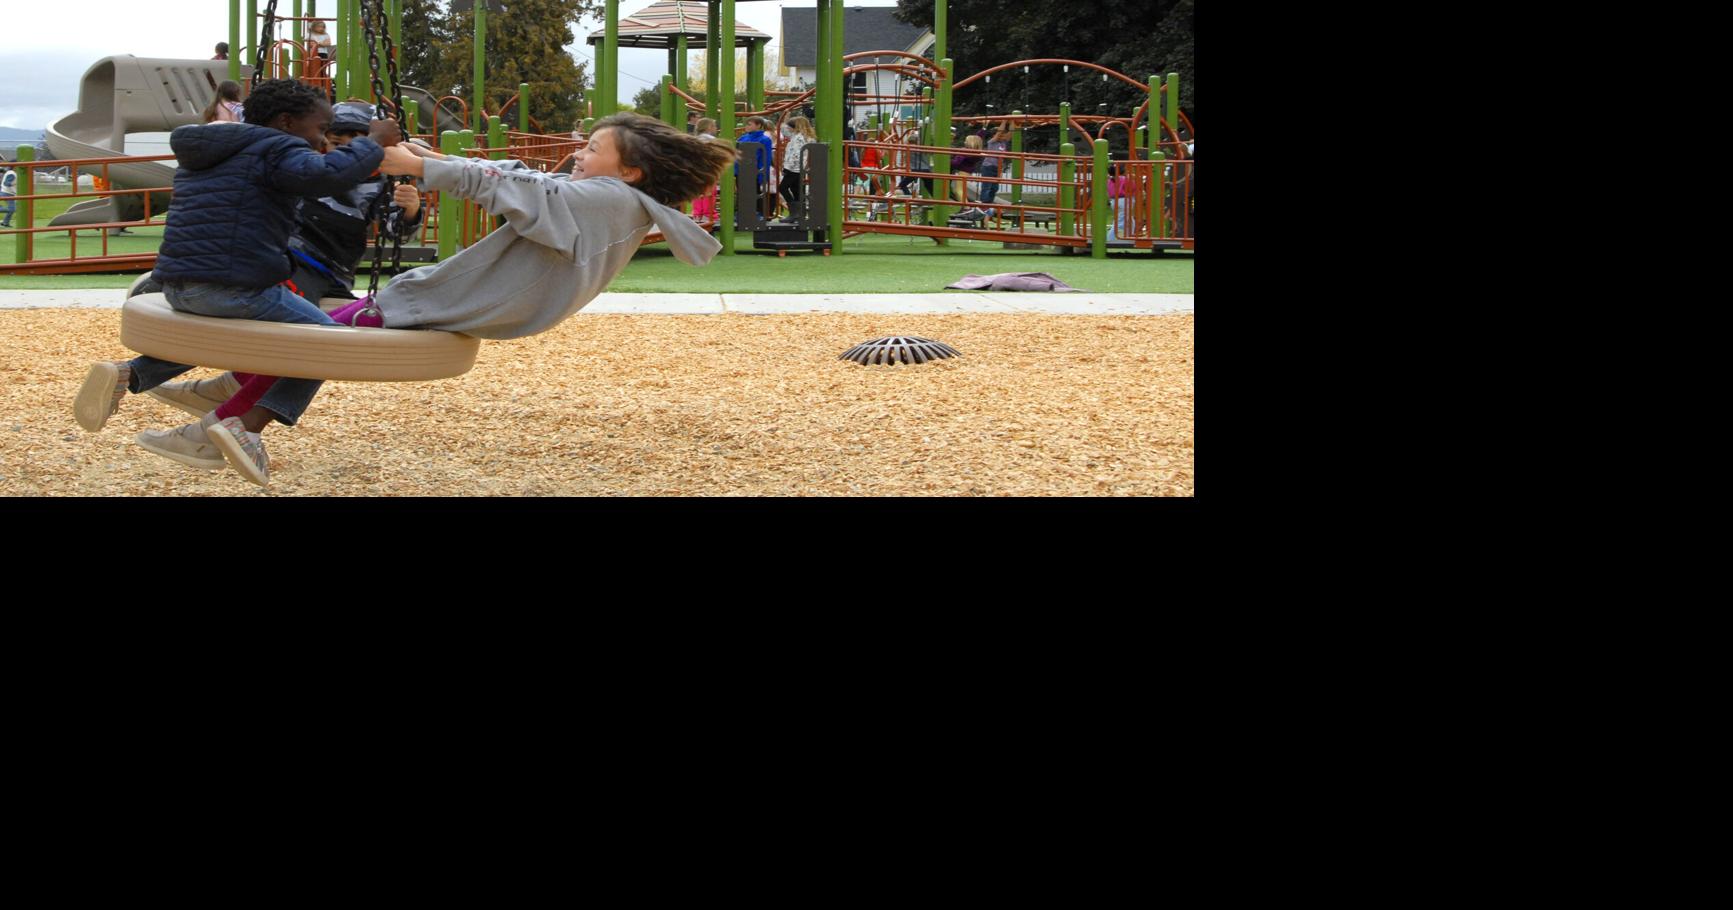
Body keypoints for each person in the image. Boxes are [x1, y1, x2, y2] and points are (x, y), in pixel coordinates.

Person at [164, 113, 734, 484]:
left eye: (592, 147)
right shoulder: (612, 200)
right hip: (462, 306)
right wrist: (429, 161)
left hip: (433, 305)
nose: (579, 154)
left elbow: (518, 186)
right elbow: (520, 175)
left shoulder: (606, 200)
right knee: (322, 332)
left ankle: (230, 422)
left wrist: (422, 168)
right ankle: (227, 395)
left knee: (321, 341)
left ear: (630, 171)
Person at [73, 79, 399, 475]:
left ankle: (131, 373)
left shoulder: (212, 149)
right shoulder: (280, 149)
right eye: (318, 129)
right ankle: (247, 428)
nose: (320, 139)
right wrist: (373, 142)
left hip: (178, 284)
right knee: (326, 344)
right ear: (286, 122)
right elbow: (324, 176)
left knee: (226, 334)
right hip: (236, 286)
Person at [778, 116, 814, 213]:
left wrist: (787, 168)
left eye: (790, 126)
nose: (788, 128)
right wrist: (786, 116)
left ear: (795, 127)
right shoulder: (800, 136)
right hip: (798, 168)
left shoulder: (799, 138)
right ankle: (800, 213)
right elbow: (784, 130)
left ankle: (794, 212)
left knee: (783, 188)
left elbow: (796, 155)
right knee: (796, 190)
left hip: (794, 168)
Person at [980, 124, 1010, 214]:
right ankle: (984, 205)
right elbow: (999, 132)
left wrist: (1012, 122)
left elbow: (1010, 133)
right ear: (994, 135)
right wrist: (1004, 121)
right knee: (987, 187)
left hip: (997, 168)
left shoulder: (1003, 143)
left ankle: (989, 205)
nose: (1001, 136)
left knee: (994, 188)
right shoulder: (992, 142)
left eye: (1003, 135)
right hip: (988, 167)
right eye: (999, 135)